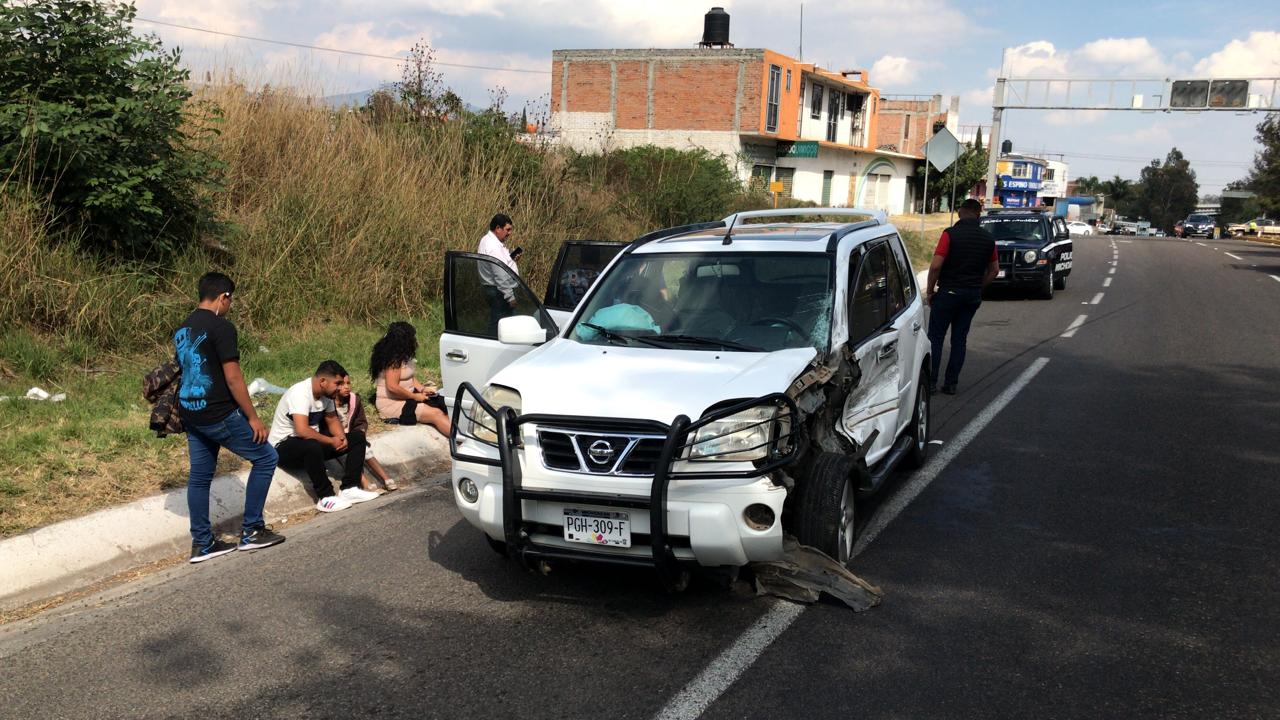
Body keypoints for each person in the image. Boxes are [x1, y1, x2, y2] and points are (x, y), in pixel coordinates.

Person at [174, 272, 284, 563]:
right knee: (266, 458)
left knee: (199, 476)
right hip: (218, 411)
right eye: (230, 300)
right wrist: (253, 417)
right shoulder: (221, 327)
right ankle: (252, 531)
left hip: (190, 410)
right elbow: (233, 377)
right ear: (224, 297)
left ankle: (202, 543)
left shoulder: (182, 329)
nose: (230, 305)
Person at [268, 361, 380, 512]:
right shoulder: (300, 393)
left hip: (309, 446)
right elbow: (302, 430)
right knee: (311, 444)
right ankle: (325, 497)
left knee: (357, 438)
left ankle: (349, 489)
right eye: (338, 383)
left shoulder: (327, 395)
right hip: (283, 448)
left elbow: (332, 419)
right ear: (323, 381)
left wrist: (341, 438)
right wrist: (330, 441)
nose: (340, 388)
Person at [924, 198, 998, 396]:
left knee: (936, 338)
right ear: (978, 214)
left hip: (948, 292)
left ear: (959, 212)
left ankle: (931, 382)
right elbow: (994, 271)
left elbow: (936, 265)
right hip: (971, 295)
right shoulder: (988, 239)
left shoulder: (949, 235)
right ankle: (951, 384)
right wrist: (977, 287)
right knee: (959, 340)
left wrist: (930, 290)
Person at [371, 321, 452, 437]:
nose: (415, 340)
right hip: (392, 403)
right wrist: (415, 396)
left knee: (443, 404)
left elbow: (410, 377)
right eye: (412, 337)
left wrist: (422, 389)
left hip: (406, 397)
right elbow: (392, 387)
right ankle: (460, 443)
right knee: (436, 414)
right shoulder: (392, 360)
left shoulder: (403, 356)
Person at [325, 373, 399, 492]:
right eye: (342, 384)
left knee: (366, 451)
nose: (347, 387)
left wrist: (361, 432)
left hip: (353, 435)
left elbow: (361, 421)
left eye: (348, 383)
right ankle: (365, 483)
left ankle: (386, 478)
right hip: (337, 438)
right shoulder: (327, 403)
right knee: (345, 456)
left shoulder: (354, 400)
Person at [477, 212, 520, 334]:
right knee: (501, 325)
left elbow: (501, 265)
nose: (509, 233)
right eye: (507, 230)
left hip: (495, 289)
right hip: (499, 291)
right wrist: (510, 297)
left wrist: (512, 260)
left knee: (498, 322)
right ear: (497, 228)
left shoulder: (487, 240)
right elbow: (500, 275)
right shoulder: (493, 246)